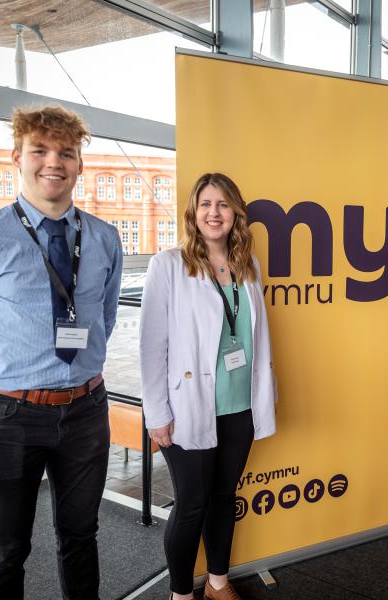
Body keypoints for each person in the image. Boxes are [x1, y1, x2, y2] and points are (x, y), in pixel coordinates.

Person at [0, 105, 123, 599]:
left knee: (82, 536)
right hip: (9, 416)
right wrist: (1, 383)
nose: (53, 162)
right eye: (40, 150)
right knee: (4, 549)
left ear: (80, 164)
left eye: (66, 153)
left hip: (86, 411)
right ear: (17, 157)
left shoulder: (104, 238)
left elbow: (104, 317)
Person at [140, 172, 277, 600]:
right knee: (191, 505)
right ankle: (181, 594)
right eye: (205, 205)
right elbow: (150, 346)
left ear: (235, 212)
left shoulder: (247, 264)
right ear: (193, 213)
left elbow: (254, 335)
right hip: (189, 408)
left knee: (223, 497)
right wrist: (156, 413)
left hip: (240, 405)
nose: (213, 213)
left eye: (222, 205)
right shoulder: (168, 265)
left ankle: (218, 582)